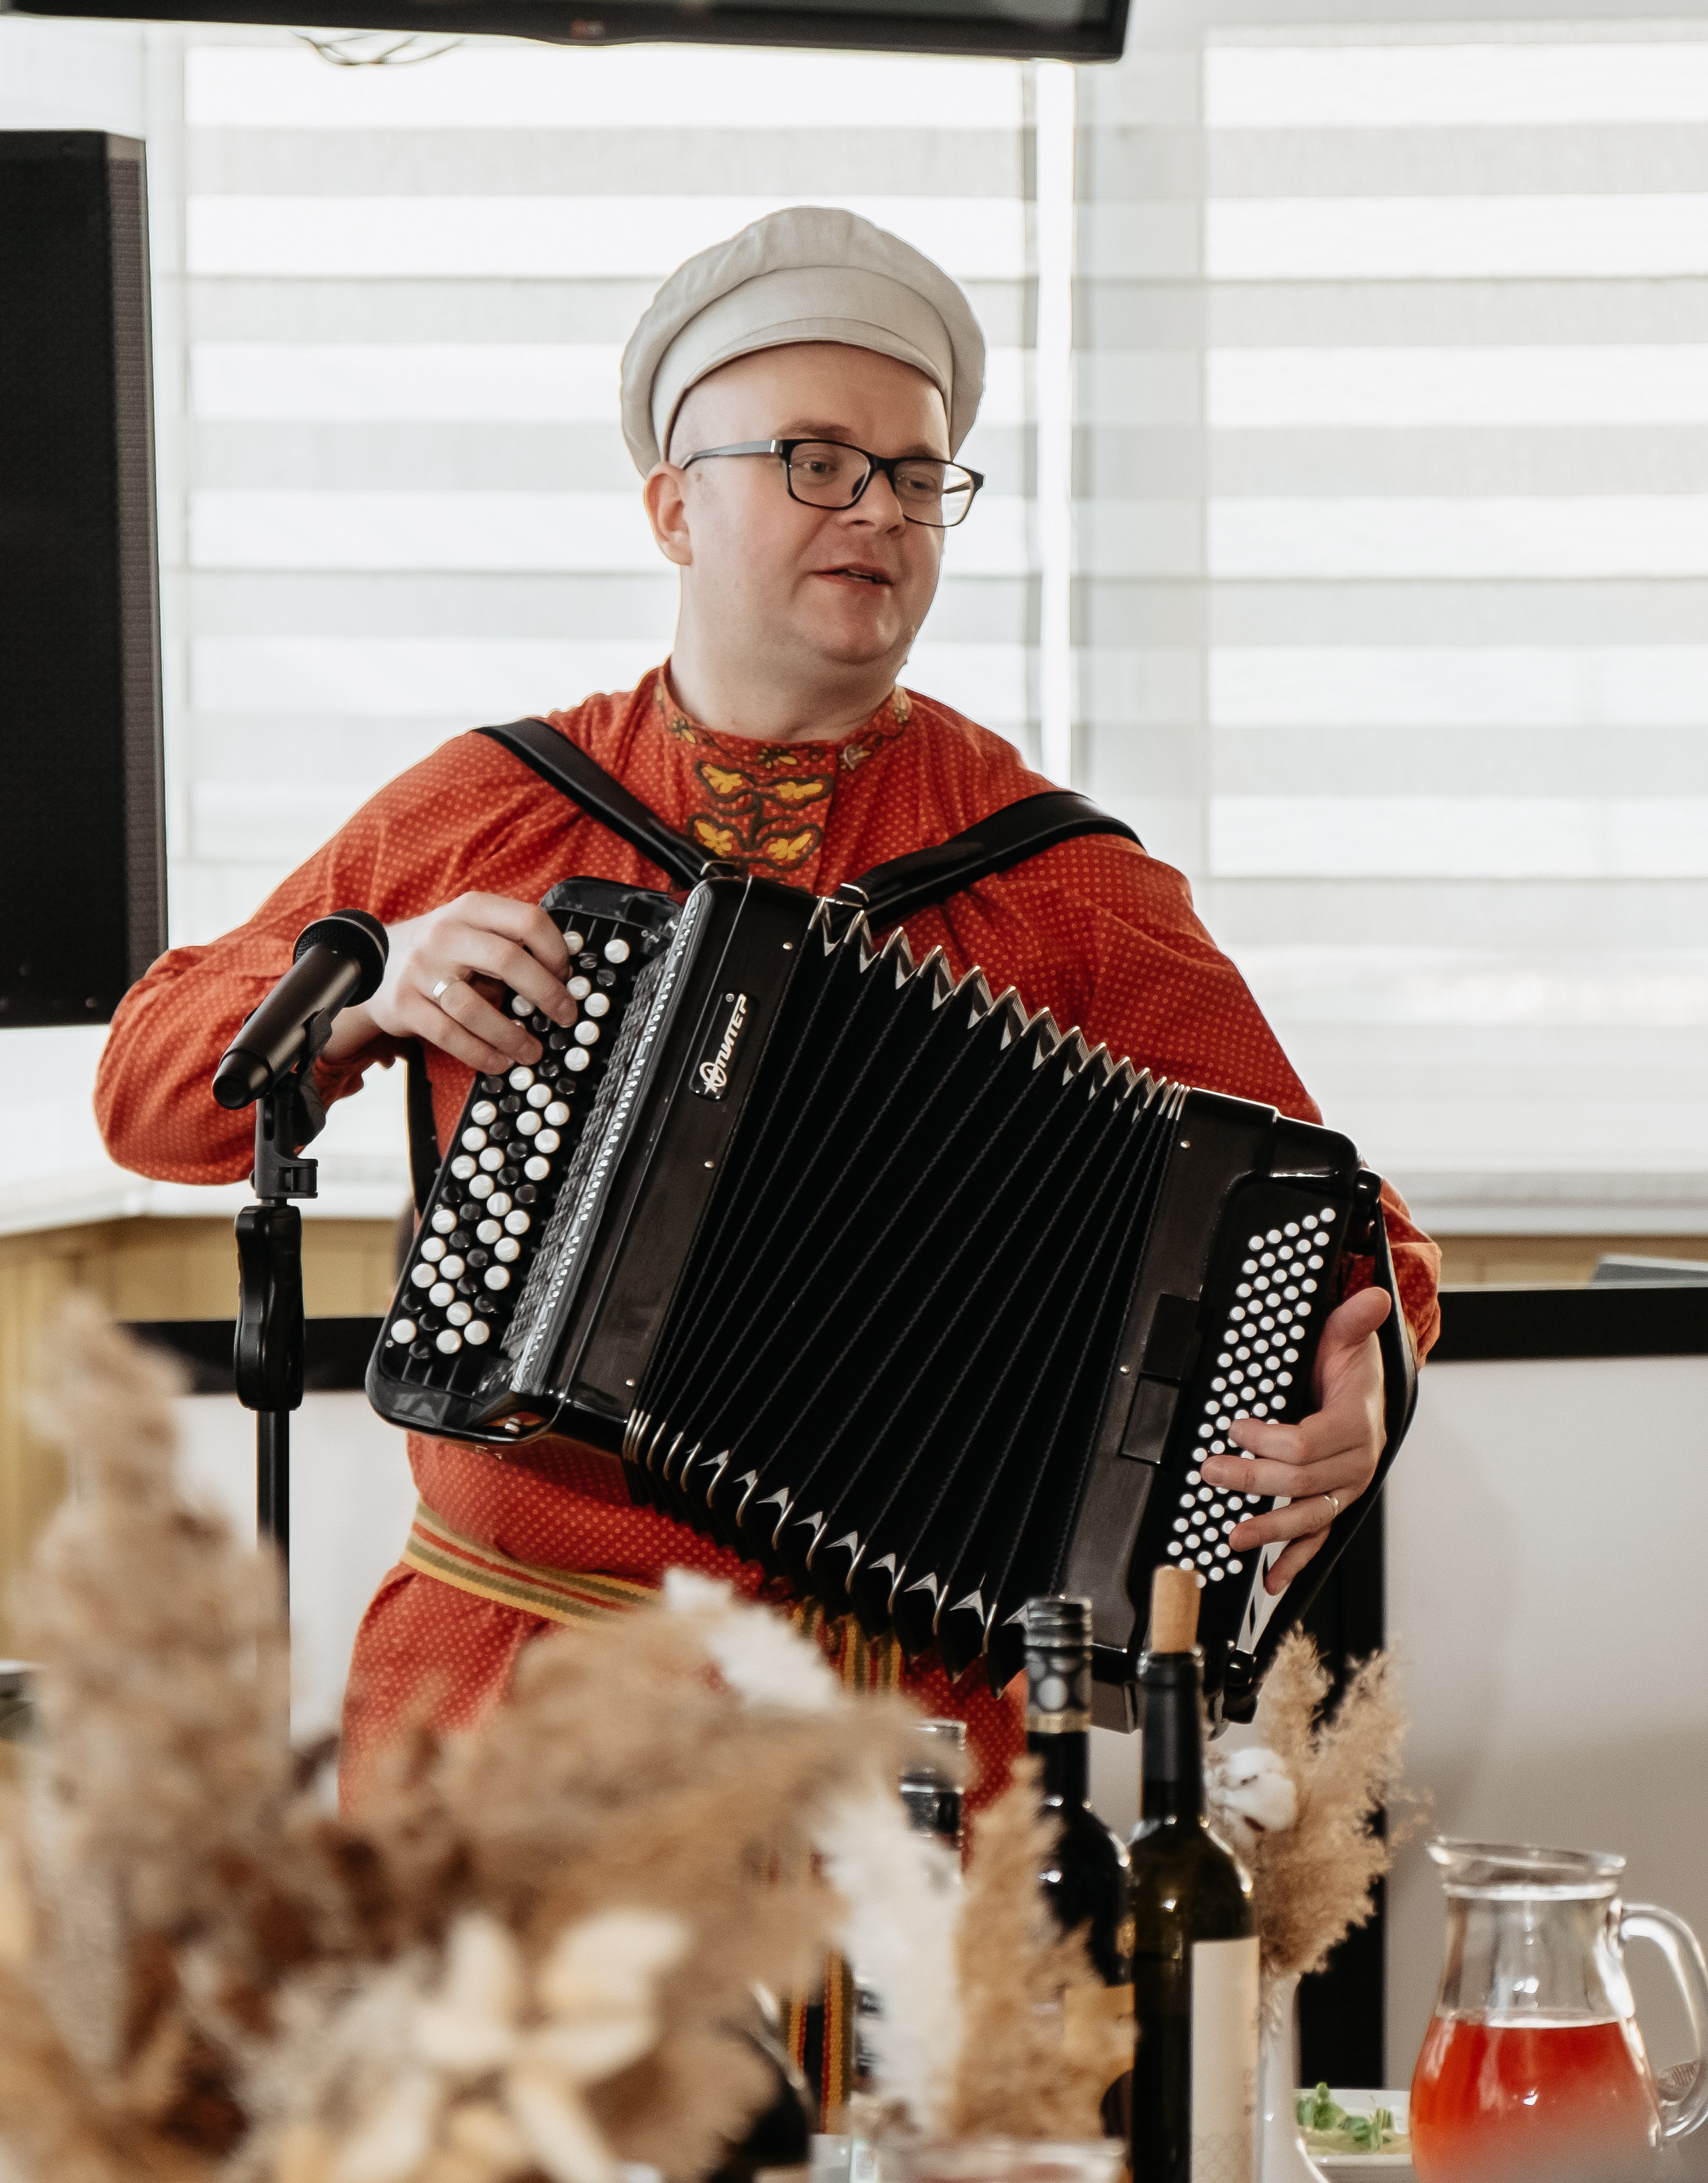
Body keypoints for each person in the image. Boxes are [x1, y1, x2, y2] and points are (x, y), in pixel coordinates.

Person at [95, 207, 1440, 1816]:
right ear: (672, 507)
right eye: (814, 458)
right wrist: (372, 983)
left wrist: (1363, 1381)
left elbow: (1333, 1227)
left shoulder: (1064, 881)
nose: (874, 508)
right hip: (519, 1699)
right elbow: (151, 1085)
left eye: (915, 474)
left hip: (905, 1742)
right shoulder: (491, 809)